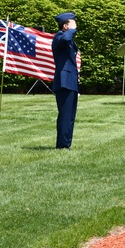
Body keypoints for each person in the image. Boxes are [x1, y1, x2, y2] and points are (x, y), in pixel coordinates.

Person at [52, 11, 79, 149]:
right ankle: (62, 145)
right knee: (65, 114)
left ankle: (66, 144)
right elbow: (65, 39)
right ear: (65, 26)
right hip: (64, 82)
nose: (76, 27)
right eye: (72, 24)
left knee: (70, 116)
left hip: (70, 81)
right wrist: (72, 30)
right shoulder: (59, 37)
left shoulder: (67, 39)